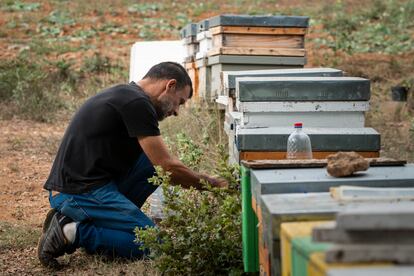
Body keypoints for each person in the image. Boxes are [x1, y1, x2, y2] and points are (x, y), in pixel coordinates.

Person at [37, 61, 227, 268]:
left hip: (87, 185)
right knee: (156, 244)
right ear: (170, 85)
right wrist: (216, 185)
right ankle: (72, 232)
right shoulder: (136, 103)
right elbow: (169, 169)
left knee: (150, 164)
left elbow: (159, 166)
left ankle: (95, 223)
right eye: (179, 102)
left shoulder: (129, 96)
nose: (176, 111)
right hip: (78, 192)